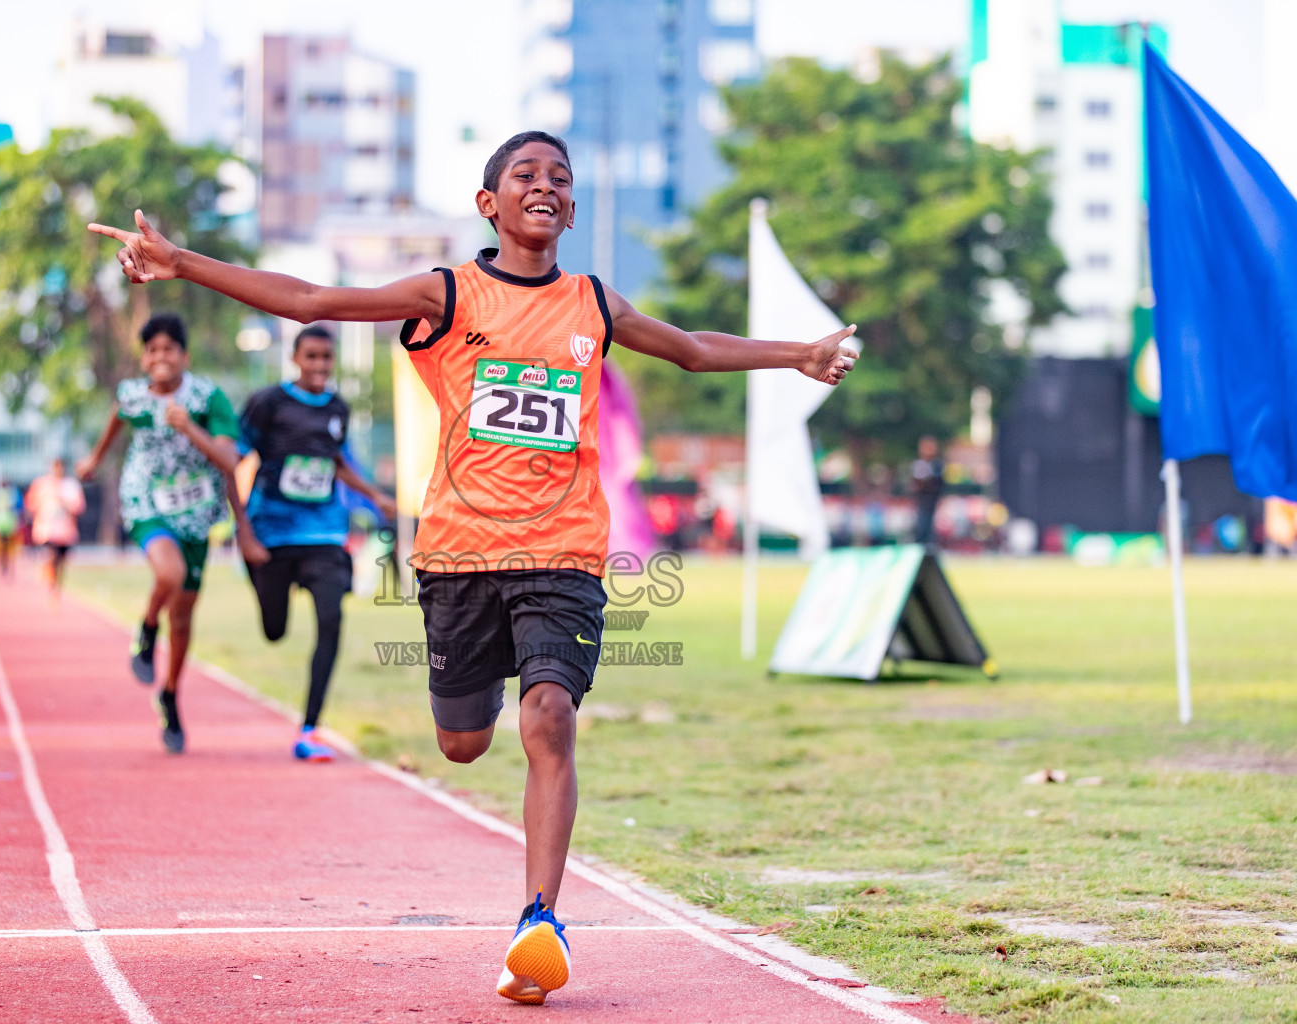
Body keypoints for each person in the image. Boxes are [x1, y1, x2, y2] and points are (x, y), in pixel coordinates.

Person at [88, 130, 858, 1003]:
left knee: (551, 718)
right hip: (459, 557)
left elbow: (685, 345)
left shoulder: (593, 304)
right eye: (525, 175)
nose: (546, 185)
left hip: (563, 552)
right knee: (462, 743)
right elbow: (309, 298)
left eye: (561, 178)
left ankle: (539, 921)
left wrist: (796, 355)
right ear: (490, 204)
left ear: (571, 208)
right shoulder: (447, 294)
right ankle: (489, 703)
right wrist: (182, 263)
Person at [76, 312, 266, 754]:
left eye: (169, 349)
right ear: (144, 359)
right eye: (153, 350)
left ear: (185, 356)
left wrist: (189, 428)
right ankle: (145, 630)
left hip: (198, 513)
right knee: (169, 574)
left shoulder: (206, 398)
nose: (161, 357)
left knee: (182, 618)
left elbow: (229, 462)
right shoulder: (134, 397)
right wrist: (93, 460)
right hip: (146, 500)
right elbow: (115, 421)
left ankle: (169, 693)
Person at [237, 324, 398, 762]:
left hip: (324, 532)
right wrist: (242, 530)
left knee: (331, 618)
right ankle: (263, 587)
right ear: (295, 359)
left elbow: (335, 462)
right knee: (274, 630)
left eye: (326, 358)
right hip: (271, 535)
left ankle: (310, 728)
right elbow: (232, 457)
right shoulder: (267, 403)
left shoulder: (338, 408)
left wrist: (374, 495)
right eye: (311, 357)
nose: (320, 366)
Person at [25, 458, 87, 598]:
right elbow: (31, 503)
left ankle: (56, 586)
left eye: (61, 467)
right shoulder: (41, 484)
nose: (58, 470)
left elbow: (79, 507)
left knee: (61, 562)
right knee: (51, 556)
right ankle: (50, 580)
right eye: (55, 467)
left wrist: (64, 502)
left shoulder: (71, 486)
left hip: (66, 532)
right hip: (47, 531)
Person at [909, 435, 946, 548]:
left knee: (932, 531)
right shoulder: (919, 464)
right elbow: (916, 485)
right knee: (922, 529)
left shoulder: (937, 465)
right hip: (922, 503)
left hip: (933, 503)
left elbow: (939, 484)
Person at [0, 476, 21, 578]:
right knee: (0, 545)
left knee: (9, 546)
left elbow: (18, 508)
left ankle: (9, 565)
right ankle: (0, 563)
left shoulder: (13, 493)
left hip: (10, 523)